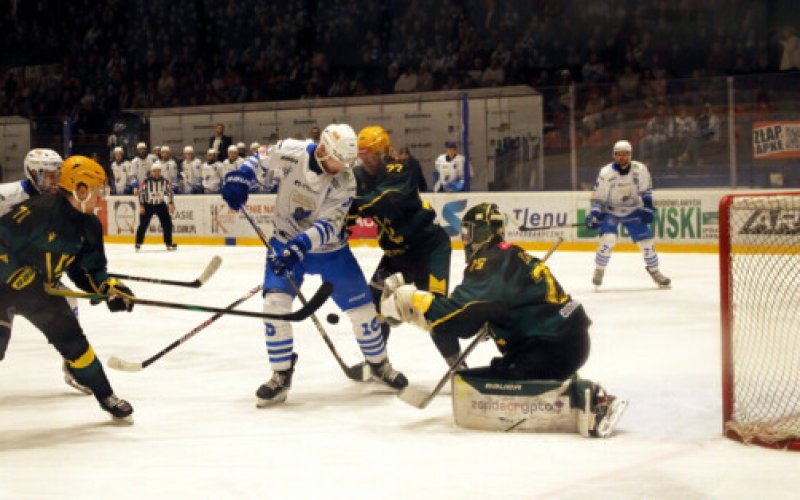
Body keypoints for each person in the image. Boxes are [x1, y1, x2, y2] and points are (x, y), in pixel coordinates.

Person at [380, 202, 626, 437]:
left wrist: (413, 299)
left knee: (499, 380)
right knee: (493, 372)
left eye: (468, 232)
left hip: (551, 347)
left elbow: (459, 317)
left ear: (482, 232)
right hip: (565, 340)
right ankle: (563, 383)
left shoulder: (489, 261)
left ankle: (589, 400)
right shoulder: (508, 255)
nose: (465, 238)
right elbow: (476, 316)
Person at [220, 123, 408, 407]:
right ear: (322, 149)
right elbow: (260, 159)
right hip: (284, 242)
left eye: (348, 162)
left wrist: (300, 247)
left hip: (331, 251)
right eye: (339, 160)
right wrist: (240, 176)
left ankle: (379, 364)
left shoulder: (345, 180)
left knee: (363, 311)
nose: (345, 167)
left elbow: (330, 225)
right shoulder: (290, 151)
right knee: (274, 307)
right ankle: (281, 374)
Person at [0, 155, 135, 421]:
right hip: (2, 286)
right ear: (80, 190)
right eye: (98, 191)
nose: (101, 198)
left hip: (39, 291)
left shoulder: (91, 225)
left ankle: (106, 395)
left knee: (75, 344)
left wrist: (108, 288)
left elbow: (91, 269)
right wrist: (14, 273)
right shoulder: (40, 210)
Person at [351, 126, 455, 366]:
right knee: (373, 304)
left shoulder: (401, 167)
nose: (367, 161)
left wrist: (353, 204)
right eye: (363, 156)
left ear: (385, 151)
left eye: (372, 155)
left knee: (435, 312)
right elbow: (344, 203)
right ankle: (376, 362)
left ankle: (458, 368)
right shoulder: (357, 176)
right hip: (395, 256)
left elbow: (387, 199)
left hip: (429, 251)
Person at [0, 148, 91, 395]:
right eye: (47, 175)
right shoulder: (6, 195)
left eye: (56, 175)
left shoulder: (59, 201)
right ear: (31, 172)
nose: (52, 181)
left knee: (68, 302)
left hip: (36, 274)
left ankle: (73, 366)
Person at [585, 140, 670, 288]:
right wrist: (594, 213)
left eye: (625, 154)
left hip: (633, 210)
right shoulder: (606, 173)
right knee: (608, 240)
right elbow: (599, 196)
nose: (622, 158)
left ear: (630, 155)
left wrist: (648, 208)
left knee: (647, 243)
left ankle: (655, 271)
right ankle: (599, 270)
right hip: (611, 211)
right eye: (619, 155)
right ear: (614, 155)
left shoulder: (640, 169)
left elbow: (646, 191)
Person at [135, 161, 177, 251]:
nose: (156, 173)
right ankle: (138, 243)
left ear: (160, 171)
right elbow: (141, 193)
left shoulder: (165, 181)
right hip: (148, 205)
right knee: (143, 225)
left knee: (167, 224)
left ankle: (168, 243)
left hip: (160, 205)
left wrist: (171, 203)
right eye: (154, 171)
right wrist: (141, 205)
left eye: (158, 171)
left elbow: (170, 192)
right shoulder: (146, 182)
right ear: (151, 172)